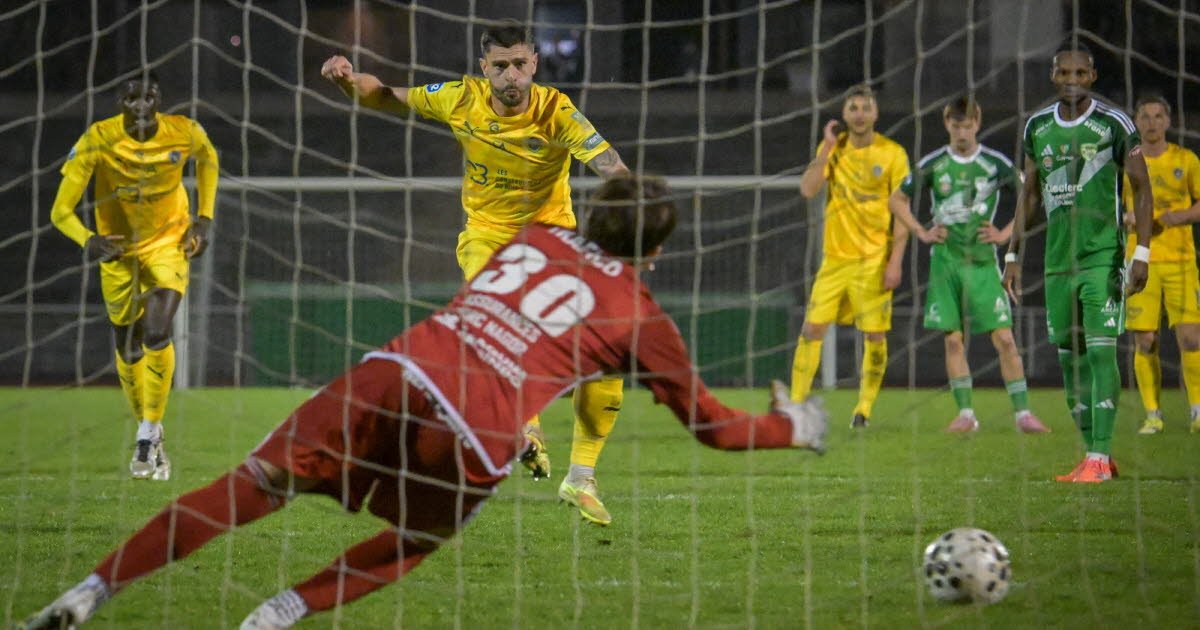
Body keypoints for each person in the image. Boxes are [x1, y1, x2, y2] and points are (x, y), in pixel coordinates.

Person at [21, 177, 829, 630]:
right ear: (655, 250)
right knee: (417, 538)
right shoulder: (641, 314)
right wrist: (794, 424)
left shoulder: (533, 237)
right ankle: (281, 612)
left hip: (399, 369)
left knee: (254, 485)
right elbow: (715, 429)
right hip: (479, 426)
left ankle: (89, 592)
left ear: (591, 215)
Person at [320, 20, 630, 525]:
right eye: (501, 66)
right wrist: (348, 82)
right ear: (484, 68)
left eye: (520, 64)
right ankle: (524, 427)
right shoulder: (460, 98)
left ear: (534, 64)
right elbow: (387, 96)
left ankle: (580, 478)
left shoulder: (557, 112)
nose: (512, 76)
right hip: (489, 238)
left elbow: (611, 166)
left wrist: (633, 210)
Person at [48, 70, 218, 480]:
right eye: (131, 99)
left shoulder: (184, 132)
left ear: (160, 100)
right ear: (119, 104)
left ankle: (146, 432)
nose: (141, 106)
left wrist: (204, 218)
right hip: (119, 250)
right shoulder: (98, 138)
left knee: (157, 330)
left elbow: (209, 158)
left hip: (168, 243)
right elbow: (60, 212)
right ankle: (152, 429)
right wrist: (89, 240)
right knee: (127, 346)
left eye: (149, 97)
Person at [1003, 42, 1153, 483]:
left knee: (1102, 353)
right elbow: (1030, 195)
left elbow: (1142, 189)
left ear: (1093, 77)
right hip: (1057, 263)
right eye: (1063, 73)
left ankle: (1100, 456)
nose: (1071, 80)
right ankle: (1094, 454)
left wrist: (1141, 252)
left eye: (1080, 73)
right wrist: (1012, 253)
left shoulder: (1115, 124)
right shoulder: (1037, 126)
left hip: (1102, 257)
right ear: (1053, 76)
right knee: (1070, 363)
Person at [889, 97, 1050, 434]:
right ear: (947, 124)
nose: (962, 132)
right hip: (945, 263)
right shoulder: (934, 164)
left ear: (977, 123)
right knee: (953, 341)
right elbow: (896, 199)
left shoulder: (994, 163)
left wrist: (1005, 234)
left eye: (967, 125)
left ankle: (1023, 414)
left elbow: (1032, 196)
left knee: (1005, 339)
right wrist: (922, 231)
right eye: (956, 125)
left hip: (982, 264)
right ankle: (966, 415)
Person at [792, 85, 911, 428]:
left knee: (874, 335)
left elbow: (902, 211)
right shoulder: (834, 148)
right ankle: (796, 405)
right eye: (853, 108)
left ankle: (864, 409)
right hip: (834, 261)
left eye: (865, 108)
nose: (859, 114)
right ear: (844, 114)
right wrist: (827, 149)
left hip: (873, 261)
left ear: (876, 113)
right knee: (812, 328)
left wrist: (895, 261)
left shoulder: (893, 154)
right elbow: (808, 189)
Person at [1120, 95, 1200, 435]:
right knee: (1145, 341)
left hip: (1181, 261)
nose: (1151, 122)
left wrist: (1177, 217)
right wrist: (1128, 219)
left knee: (1192, 339)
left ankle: (1197, 410)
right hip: (1140, 260)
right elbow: (1116, 206)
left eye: (1157, 116)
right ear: (1136, 122)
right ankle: (1153, 414)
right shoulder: (1128, 161)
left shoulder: (1186, 159)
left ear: (1168, 121)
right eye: (1145, 116)